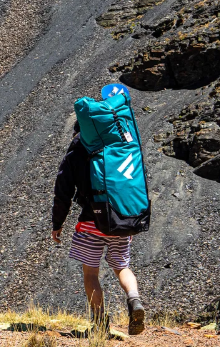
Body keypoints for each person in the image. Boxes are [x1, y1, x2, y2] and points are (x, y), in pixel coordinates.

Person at [51, 121, 145, 335]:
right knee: (122, 266)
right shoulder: (117, 151)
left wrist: (58, 224)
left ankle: (100, 323)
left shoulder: (74, 155)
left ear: (79, 132)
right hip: (120, 221)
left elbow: (62, 193)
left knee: (91, 274)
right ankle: (134, 299)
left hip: (90, 223)